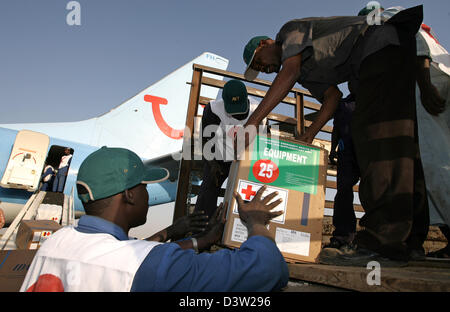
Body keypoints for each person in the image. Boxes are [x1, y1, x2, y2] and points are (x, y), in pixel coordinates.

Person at [240, 5, 439, 264]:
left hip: (379, 49)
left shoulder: (290, 32)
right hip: (389, 55)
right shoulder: (306, 73)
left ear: (267, 42)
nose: (264, 69)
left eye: (259, 61)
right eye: (258, 69)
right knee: (399, 142)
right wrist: (309, 135)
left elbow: (287, 73)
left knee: (375, 142)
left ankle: (382, 243)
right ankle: (410, 242)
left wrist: (254, 121)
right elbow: (333, 97)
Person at [21, 146, 288, 292]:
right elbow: (268, 270)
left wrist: (196, 239)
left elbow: (123, 253)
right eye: (144, 187)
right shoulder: (147, 264)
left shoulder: (55, 242)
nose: (148, 194)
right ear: (129, 196)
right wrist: (255, 222)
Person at [368, 5, 450, 259]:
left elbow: (412, 36)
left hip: (427, 80)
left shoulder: (383, 18)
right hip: (433, 78)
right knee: (431, 166)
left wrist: (424, 85)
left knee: (436, 164)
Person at [194, 79, 262, 219]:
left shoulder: (259, 109)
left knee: (249, 190)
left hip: (246, 155)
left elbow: (262, 144)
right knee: (208, 187)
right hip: (221, 154)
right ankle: (201, 228)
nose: (237, 115)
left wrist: (249, 168)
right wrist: (212, 164)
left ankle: (239, 227)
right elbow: (206, 141)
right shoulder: (213, 109)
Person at [324, 93, 360, 250]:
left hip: (367, 149)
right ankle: (343, 234)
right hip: (346, 152)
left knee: (373, 190)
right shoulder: (342, 104)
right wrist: (333, 149)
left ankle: (376, 234)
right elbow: (336, 128)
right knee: (343, 191)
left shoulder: (373, 97)